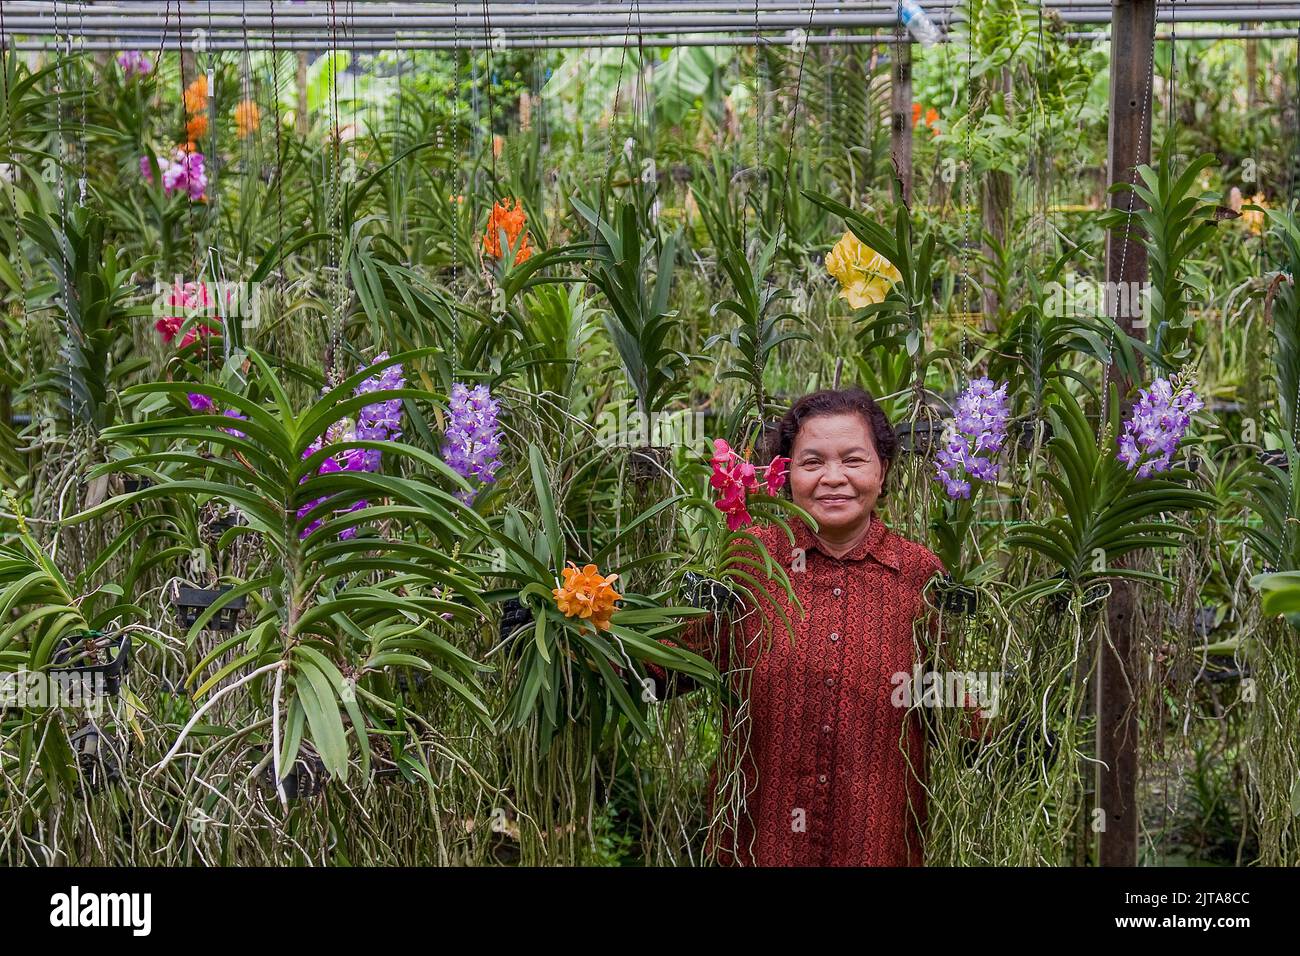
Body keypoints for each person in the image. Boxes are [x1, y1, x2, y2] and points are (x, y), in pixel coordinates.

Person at [647, 387, 986, 866]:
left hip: (875, 846)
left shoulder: (920, 575)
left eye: (853, 460)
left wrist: (1008, 739)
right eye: (812, 462)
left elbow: (943, 703)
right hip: (761, 847)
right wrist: (573, 633)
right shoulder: (752, 560)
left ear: (882, 469)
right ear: (786, 474)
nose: (833, 478)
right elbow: (666, 664)